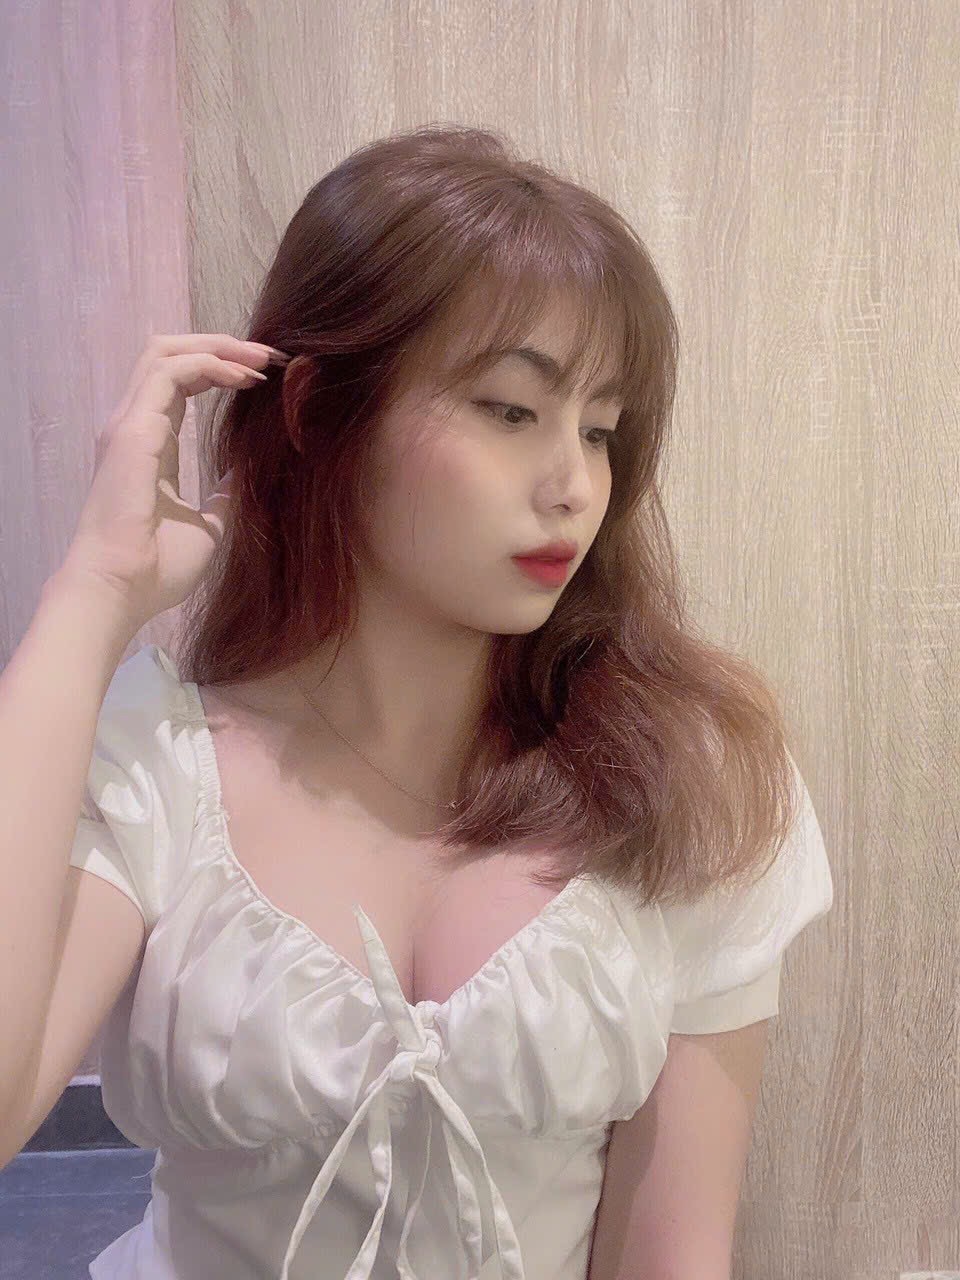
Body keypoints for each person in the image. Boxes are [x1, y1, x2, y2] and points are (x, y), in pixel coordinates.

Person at [0, 125, 833, 1279]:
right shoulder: (156, 754)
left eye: (600, 428)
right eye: (510, 409)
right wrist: (91, 594)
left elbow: (670, 1249)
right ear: (317, 413)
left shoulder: (690, 772)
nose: (574, 483)